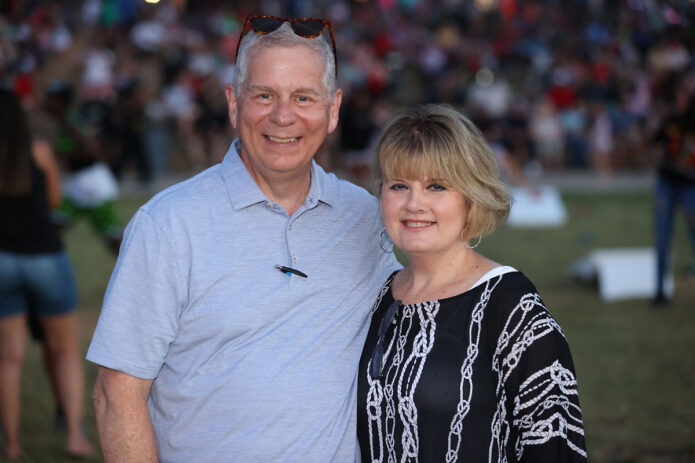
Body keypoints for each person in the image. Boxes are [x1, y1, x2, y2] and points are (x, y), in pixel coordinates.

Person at [87, 15, 400, 462]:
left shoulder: (364, 217)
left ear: (333, 110)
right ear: (234, 104)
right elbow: (117, 395)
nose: (283, 116)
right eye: (264, 95)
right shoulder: (168, 223)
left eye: (303, 97)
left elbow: (429, 299)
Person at [357, 104, 586, 462]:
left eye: (436, 186)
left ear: (471, 196)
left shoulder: (510, 303)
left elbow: (555, 444)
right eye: (399, 185)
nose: (414, 204)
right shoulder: (380, 297)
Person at [0, 88, 94, 459]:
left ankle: (12, 444)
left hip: (2, 261)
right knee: (65, 350)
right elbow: (54, 200)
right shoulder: (38, 151)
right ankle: (74, 434)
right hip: (44, 258)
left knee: (8, 359)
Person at [652, 72, 695, 306]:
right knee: (662, 239)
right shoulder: (669, 120)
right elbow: (656, 142)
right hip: (667, 183)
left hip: (689, 185)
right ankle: (660, 291)